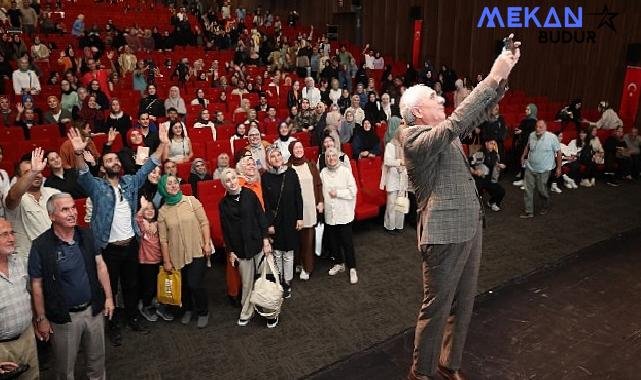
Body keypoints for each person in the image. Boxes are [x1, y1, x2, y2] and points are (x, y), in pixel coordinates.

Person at [401, 36, 519, 380]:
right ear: (417, 112)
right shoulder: (413, 138)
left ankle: (448, 364)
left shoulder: (441, 131)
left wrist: (505, 69)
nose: (442, 98)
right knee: (437, 308)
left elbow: (476, 112)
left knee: (463, 304)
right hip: (443, 234)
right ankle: (420, 374)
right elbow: (458, 121)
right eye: (435, 97)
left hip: (469, 226)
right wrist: (492, 77)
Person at [70, 125, 169, 346]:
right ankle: (113, 324)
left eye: (116, 159)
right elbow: (83, 174)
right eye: (109, 161)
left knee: (131, 284)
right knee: (110, 288)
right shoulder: (96, 187)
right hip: (108, 248)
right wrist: (78, 154)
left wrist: (163, 143)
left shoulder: (129, 182)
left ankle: (133, 317)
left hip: (131, 244)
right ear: (103, 168)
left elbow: (149, 165)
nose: (114, 162)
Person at [29, 193, 114, 379]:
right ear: (51, 216)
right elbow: (36, 284)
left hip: (94, 311)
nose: (72, 213)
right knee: (65, 368)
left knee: (97, 361)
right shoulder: (40, 246)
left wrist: (108, 297)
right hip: (64, 319)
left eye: (73, 207)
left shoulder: (87, 234)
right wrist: (41, 318)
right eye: (65, 209)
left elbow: (101, 266)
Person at [219, 168, 277, 328]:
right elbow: (225, 230)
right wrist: (230, 252)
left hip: (258, 244)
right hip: (240, 250)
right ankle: (247, 312)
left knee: (265, 281)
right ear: (224, 184)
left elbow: (261, 217)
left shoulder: (250, 195)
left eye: (233, 178)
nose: (231, 182)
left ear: (238, 179)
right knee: (246, 284)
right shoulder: (223, 204)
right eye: (227, 181)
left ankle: (271, 313)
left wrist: (266, 241)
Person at [158, 174, 212, 328]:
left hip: (197, 250)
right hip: (176, 255)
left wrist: (207, 243)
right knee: (184, 286)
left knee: (195, 283)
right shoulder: (162, 212)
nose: (174, 185)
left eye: (175, 182)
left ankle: (203, 312)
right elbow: (163, 240)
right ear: (163, 188)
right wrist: (167, 261)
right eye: (169, 184)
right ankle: (188, 309)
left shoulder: (190, 200)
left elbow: (204, 223)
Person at [0, 218, 39, 380]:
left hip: (27, 337)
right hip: (3, 348)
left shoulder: (19, 262)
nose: (11, 238)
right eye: (4, 234)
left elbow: (30, 293)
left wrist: (38, 319)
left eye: (11, 233)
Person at [262, 145, 303, 298]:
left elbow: (298, 196)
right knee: (277, 252)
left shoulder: (291, 172)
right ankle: (279, 280)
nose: (277, 158)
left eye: (278, 155)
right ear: (268, 160)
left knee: (289, 252)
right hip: (276, 220)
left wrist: (300, 217)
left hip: (291, 218)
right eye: (273, 156)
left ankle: (288, 281)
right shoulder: (265, 177)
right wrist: (269, 224)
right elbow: (266, 203)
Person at [4, 149, 60, 258]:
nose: (36, 174)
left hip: (58, 254)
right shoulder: (14, 196)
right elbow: (13, 196)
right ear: (19, 178)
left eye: (39, 171)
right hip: (29, 258)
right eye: (28, 172)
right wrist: (33, 172)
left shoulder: (54, 193)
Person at [320, 147, 358, 284]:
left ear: (338, 156)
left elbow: (353, 191)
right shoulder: (323, 172)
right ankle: (339, 263)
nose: (331, 158)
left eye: (333, 155)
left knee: (347, 243)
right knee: (333, 242)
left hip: (344, 213)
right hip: (330, 214)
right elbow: (321, 191)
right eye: (328, 156)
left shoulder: (345, 171)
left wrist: (338, 193)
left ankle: (352, 268)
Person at [287, 141, 323, 280]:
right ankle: (298, 263)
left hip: (310, 209)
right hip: (295, 210)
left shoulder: (311, 164)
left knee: (307, 241)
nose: (298, 150)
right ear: (291, 150)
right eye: (295, 148)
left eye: (300, 147)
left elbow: (318, 184)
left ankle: (307, 268)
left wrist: (320, 201)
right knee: (296, 240)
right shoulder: (288, 167)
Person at [520, 120, 562, 218]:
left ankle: (545, 204)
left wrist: (559, 168)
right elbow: (528, 146)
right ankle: (529, 211)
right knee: (527, 189)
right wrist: (523, 155)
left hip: (544, 169)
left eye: (540, 127)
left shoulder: (552, 138)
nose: (538, 129)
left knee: (541, 190)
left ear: (545, 128)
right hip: (530, 167)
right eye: (537, 127)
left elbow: (559, 153)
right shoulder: (531, 135)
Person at [381, 125, 409, 231]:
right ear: (398, 134)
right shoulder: (390, 145)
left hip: (403, 177)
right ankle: (390, 226)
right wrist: (400, 162)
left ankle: (398, 225)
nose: (403, 137)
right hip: (392, 177)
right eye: (402, 134)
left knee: (401, 203)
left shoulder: (406, 146)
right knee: (391, 204)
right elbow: (387, 161)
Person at [469, 140, 506, 211]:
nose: (493, 145)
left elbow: (497, 169)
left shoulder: (496, 155)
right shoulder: (479, 153)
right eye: (491, 143)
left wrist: (499, 166)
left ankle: (492, 202)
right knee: (477, 190)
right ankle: (476, 206)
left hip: (490, 179)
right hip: (479, 178)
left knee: (501, 191)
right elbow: (469, 165)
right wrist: (474, 171)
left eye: (494, 144)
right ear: (486, 143)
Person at [512, 103, 537, 186]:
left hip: (529, 143)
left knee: (526, 160)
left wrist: (522, 132)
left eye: (528, 109)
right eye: (526, 109)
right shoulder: (524, 120)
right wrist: (518, 131)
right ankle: (522, 174)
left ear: (532, 111)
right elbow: (521, 129)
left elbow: (533, 134)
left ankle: (525, 180)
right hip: (522, 142)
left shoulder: (535, 122)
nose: (526, 111)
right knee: (522, 158)